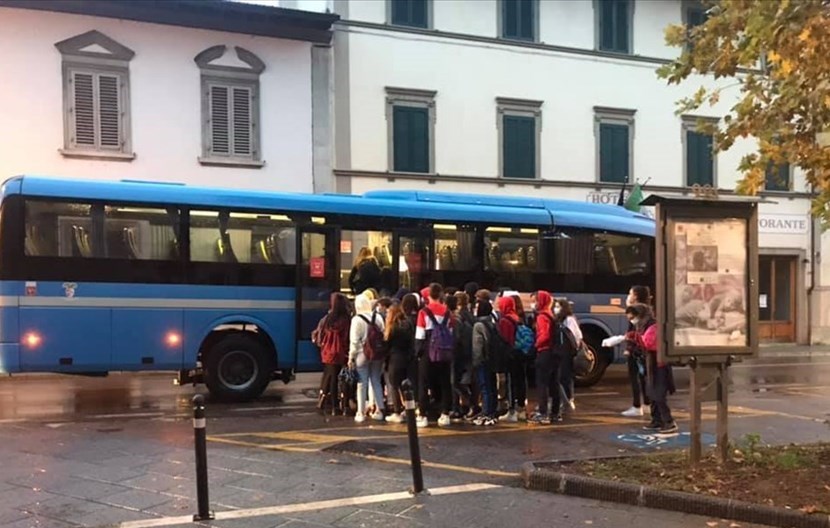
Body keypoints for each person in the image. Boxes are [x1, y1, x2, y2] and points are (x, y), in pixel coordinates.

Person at [626, 303, 678, 435]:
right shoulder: (642, 326)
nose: (632, 320)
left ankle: (669, 421)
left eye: (633, 317)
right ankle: (656, 420)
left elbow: (649, 343)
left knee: (658, 393)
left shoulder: (653, 325)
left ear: (640, 315)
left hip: (659, 364)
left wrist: (635, 337)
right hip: (650, 363)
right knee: (651, 392)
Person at [415, 283, 454, 428]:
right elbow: (451, 332)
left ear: (429, 295)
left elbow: (420, 334)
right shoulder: (448, 312)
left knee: (424, 382)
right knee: (444, 381)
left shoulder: (423, 312)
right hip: (444, 350)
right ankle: (445, 413)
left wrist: (418, 353)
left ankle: (423, 415)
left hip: (427, 351)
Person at [529, 290, 566, 424]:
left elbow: (544, 335)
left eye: (535, 301)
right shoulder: (551, 315)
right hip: (555, 353)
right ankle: (555, 413)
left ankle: (543, 413)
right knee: (553, 383)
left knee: (542, 383)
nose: (533, 304)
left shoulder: (542, 317)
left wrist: (535, 345)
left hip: (545, 352)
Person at [348, 292, 386, 423]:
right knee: (376, 380)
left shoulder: (356, 320)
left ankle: (360, 412)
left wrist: (351, 358)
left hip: (361, 354)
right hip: (377, 354)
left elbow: (354, 341)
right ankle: (380, 410)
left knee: (361, 384)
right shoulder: (378, 317)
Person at [312, 293, 350, 415]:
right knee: (342, 378)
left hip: (328, 353)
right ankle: (342, 404)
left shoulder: (327, 319)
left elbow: (319, 335)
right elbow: (347, 337)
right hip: (341, 353)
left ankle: (332, 406)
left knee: (331, 378)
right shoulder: (346, 320)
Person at [621, 285, 652, 417]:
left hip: (635, 349)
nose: (628, 296)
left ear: (636, 296)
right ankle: (646, 404)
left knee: (635, 377)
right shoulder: (647, 309)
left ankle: (636, 406)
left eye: (630, 294)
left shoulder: (636, 309)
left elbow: (632, 331)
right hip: (644, 348)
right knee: (643, 377)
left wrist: (628, 348)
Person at [384, 302, 415, 424]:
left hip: (394, 359)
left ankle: (397, 411)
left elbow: (387, 345)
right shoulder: (408, 324)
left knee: (394, 385)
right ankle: (407, 409)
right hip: (407, 359)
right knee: (404, 386)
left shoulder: (392, 328)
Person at [496, 295, 525, 422]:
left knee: (511, 383)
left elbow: (505, 340)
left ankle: (512, 411)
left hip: (510, 355)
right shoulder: (517, 317)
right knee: (520, 381)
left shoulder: (504, 320)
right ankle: (521, 409)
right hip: (519, 353)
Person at [471, 299, 498, 426]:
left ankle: (486, 412)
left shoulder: (478, 325)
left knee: (484, 387)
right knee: (491, 386)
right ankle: (491, 411)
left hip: (482, 360)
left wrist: (476, 361)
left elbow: (478, 346)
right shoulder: (492, 322)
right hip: (492, 358)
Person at [454, 292, 477, 420]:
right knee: (470, 381)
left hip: (462, 352)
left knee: (457, 381)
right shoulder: (470, 315)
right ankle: (470, 404)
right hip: (471, 351)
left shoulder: (459, 316)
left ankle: (467, 403)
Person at [556, 299, 582, 412]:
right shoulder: (560, 320)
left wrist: (572, 348)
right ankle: (566, 400)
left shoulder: (569, 320)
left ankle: (568, 400)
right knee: (563, 376)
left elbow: (576, 335)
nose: (555, 309)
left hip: (567, 352)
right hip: (562, 351)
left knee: (565, 376)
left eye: (558, 306)